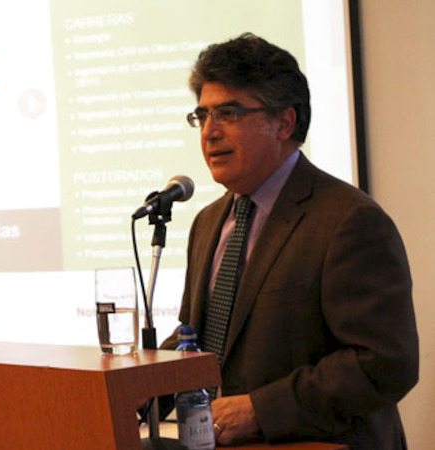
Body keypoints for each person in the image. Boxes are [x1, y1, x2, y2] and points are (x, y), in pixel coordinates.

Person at [160, 33, 418, 449]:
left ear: (284, 122)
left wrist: (260, 410)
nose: (209, 131)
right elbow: (198, 337)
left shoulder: (349, 220)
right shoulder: (207, 223)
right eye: (202, 115)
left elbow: (385, 363)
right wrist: (134, 386)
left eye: (228, 112)